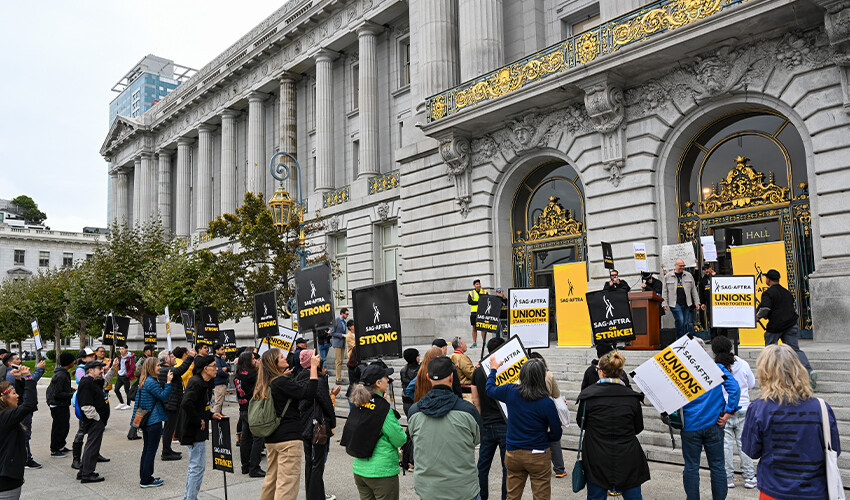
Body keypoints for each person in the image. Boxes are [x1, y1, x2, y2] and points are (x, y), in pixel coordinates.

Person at [742, 344, 840, 500]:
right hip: (815, 491)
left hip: (773, 490)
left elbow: (751, 451)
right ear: (799, 369)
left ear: (764, 373)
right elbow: (834, 449)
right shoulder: (821, 407)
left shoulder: (758, 409)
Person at [576, 350, 649, 500]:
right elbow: (638, 427)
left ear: (601, 372)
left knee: (596, 496)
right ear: (621, 372)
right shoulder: (632, 398)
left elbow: (581, 423)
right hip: (627, 453)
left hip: (596, 453)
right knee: (633, 496)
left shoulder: (588, 396)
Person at [486, 357, 561, 500]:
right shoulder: (546, 403)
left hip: (513, 452)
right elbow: (557, 433)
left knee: (512, 496)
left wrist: (493, 370)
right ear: (541, 377)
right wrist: (545, 439)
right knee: (541, 496)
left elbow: (489, 389)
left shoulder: (510, 391)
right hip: (538, 453)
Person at [408, 356, 482, 500]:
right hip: (463, 489)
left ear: (428, 377)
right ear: (451, 377)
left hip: (428, 490)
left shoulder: (414, 412)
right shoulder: (468, 411)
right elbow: (477, 439)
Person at [254, 347, 320, 500]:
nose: (285, 358)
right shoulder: (281, 382)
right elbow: (309, 393)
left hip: (271, 438)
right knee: (287, 485)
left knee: (271, 480)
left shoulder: (265, 383)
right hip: (288, 439)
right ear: (274, 364)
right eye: (281, 357)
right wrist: (314, 367)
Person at [680, 340, 740, 500]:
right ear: (704, 350)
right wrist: (729, 412)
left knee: (691, 467)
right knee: (718, 467)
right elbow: (735, 388)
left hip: (690, 425)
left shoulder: (680, 371)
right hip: (714, 423)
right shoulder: (716, 368)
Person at [341, 363, 406, 500]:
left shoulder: (359, 402)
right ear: (378, 382)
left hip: (360, 470)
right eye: (385, 377)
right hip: (382, 472)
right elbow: (400, 439)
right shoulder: (383, 409)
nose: (388, 380)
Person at [757, 268, 816, 387]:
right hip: (790, 324)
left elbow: (765, 309)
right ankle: (809, 372)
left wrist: (757, 317)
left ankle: (769, 377)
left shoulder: (768, 293)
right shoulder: (787, 292)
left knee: (770, 351)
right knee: (795, 350)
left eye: (766, 278)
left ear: (768, 279)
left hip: (775, 326)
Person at [711, 336, 756, 490]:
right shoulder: (743, 364)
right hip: (743, 408)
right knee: (744, 444)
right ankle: (750, 477)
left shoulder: (714, 367)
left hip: (724, 410)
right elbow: (752, 384)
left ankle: (728, 478)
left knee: (726, 445)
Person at [178, 355, 224, 500]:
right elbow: (186, 403)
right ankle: (190, 498)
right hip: (193, 431)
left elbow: (200, 406)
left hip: (198, 429)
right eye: (214, 366)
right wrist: (199, 421)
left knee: (196, 467)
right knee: (196, 467)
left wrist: (210, 416)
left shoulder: (205, 383)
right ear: (205, 368)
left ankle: (190, 497)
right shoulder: (196, 382)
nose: (216, 369)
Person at [296, 350, 336, 500]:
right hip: (317, 425)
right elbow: (326, 403)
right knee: (318, 463)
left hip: (305, 425)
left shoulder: (299, 377)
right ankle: (316, 496)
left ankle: (312, 494)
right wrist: (333, 421)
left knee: (310, 462)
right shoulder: (317, 380)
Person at [472, 337, 508, 500]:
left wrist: (480, 421)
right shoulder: (507, 368)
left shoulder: (478, 371)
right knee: (507, 468)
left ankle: (482, 496)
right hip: (505, 424)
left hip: (486, 423)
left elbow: (475, 400)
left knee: (482, 466)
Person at [76, 358, 119, 483]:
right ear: (90, 370)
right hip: (94, 421)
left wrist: (113, 368)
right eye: (99, 369)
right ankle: (87, 474)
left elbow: (105, 383)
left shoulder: (94, 381)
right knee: (92, 446)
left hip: (97, 420)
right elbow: (86, 406)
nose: (101, 371)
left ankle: (83, 471)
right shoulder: (86, 383)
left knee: (91, 445)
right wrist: (97, 418)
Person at [134, 356, 174, 488]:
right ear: (151, 367)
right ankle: (146, 480)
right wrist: (168, 383)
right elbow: (163, 396)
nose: (160, 368)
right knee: (150, 451)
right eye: (158, 366)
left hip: (147, 421)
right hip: (153, 421)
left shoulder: (144, 380)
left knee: (147, 450)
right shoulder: (151, 382)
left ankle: (145, 476)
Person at [0, 366, 37, 500]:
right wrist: (28, 378)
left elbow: (21, 403)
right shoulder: (5, 418)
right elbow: (29, 405)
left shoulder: (5, 415)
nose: (17, 396)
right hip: (6, 481)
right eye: (14, 393)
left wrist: (19, 380)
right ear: (3, 398)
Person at [3, 353, 45, 469]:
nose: (20, 361)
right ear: (10, 363)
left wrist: (20, 378)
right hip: (9, 477)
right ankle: (26, 459)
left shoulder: (13, 375)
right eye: (17, 359)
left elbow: (20, 394)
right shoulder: (10, 375)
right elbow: (27, 400)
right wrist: (37, 371)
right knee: (24, 434)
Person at [528, 352, 565, 479]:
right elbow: (556, 394)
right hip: (547, 409)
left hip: (531, 411)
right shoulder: (549, 375)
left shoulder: (526, 377)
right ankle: (559, 469)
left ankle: (536, 468)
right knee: (554, 441)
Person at [234, 351, 265, 477]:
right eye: (253, 359)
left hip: (243, 409)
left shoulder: (238, 375)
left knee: (246, 438)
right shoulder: (252, 374)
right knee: (257, 438)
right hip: (252, 409)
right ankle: (254, 467)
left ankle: (245, 466)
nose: (255, 360)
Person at [46, 352, 76, 458]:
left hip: (62, 404)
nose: (74, 362)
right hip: (57, 404)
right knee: (59, 427)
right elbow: (57, 393)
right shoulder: (61, 375)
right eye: (73, 360)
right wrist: (72, 394)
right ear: (69, 362)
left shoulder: (63, 373)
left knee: (64, 426)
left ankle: (61, 446)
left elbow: (61, 388)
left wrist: (71, 389)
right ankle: (55, 449)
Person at [71, 348, 96, 470]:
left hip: (92, 400)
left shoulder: (91, 368)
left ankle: (94, 453)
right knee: (82, 431)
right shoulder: (81, 370)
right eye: (90, 356)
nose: (93, 357)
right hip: (84, 402)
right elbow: (85, 383)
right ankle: (76, 459)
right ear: (83, 358)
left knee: (94, 431)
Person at [662, 258, 701, 339]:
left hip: (687, 303)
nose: (682, 267)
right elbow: (665, 291)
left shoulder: (688, 275)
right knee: (680, 320)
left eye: (683, 266)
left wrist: (697, 302)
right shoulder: (668, 276)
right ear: (675, 265)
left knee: (685, 322)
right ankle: (680, 338)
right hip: (675, 303)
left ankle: (683, 338)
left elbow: (694, 290)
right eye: (681, 266)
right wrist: (664, 303)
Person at [329, 308, 349, 384]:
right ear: (342, 313)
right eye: (346, 314)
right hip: (337, 343)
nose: (347, 316)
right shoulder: (336, 321)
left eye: (348, 314)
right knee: (338, 361)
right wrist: (342, 335)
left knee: (341, 361)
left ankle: (339, 378)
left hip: (342, 343)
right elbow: (332, 333)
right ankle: (338, 379)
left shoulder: (344, 322)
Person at [114, 345, 136, 410]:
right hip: (120, 375)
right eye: (120, 349)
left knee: (127, 390)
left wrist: (127, 375)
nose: (121, 351)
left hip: (126, 376)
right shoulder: (120, 357)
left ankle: (128, 404)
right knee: (116, 389)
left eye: (122, 349)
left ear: (126, 349)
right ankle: (121, 402)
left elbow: (133, 368)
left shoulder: (130, 358)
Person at [468, 279, 488, 347]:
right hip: (474, 312)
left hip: (482, 312)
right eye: (477, 284)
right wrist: (478, 302)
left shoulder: (485, 292)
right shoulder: (471, 293)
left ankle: (484, 342)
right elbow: (470, 302)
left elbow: (488, 300)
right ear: (474, 285)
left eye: (479, 284)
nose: (478, 285)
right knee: (474, 328)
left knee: (483, 328)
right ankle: (474, 343)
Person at [399, 348, 419, 416]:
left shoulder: (403, 370)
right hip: (416, 401)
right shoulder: (420, 370)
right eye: (418, 355)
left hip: (406, 401)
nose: (419, 357)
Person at [212, 343, 229, 414]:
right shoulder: (216, 359)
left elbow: (228, 367)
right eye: (222, 349)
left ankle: (219, 417)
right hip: (219, 383)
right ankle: (215, 419)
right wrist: (227, 373)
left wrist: (225, 369)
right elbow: (219, 372)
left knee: (221, 402)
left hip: (222, 383)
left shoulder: (221, 359)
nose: (223, 351)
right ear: (216, 350)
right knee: (218, 402)